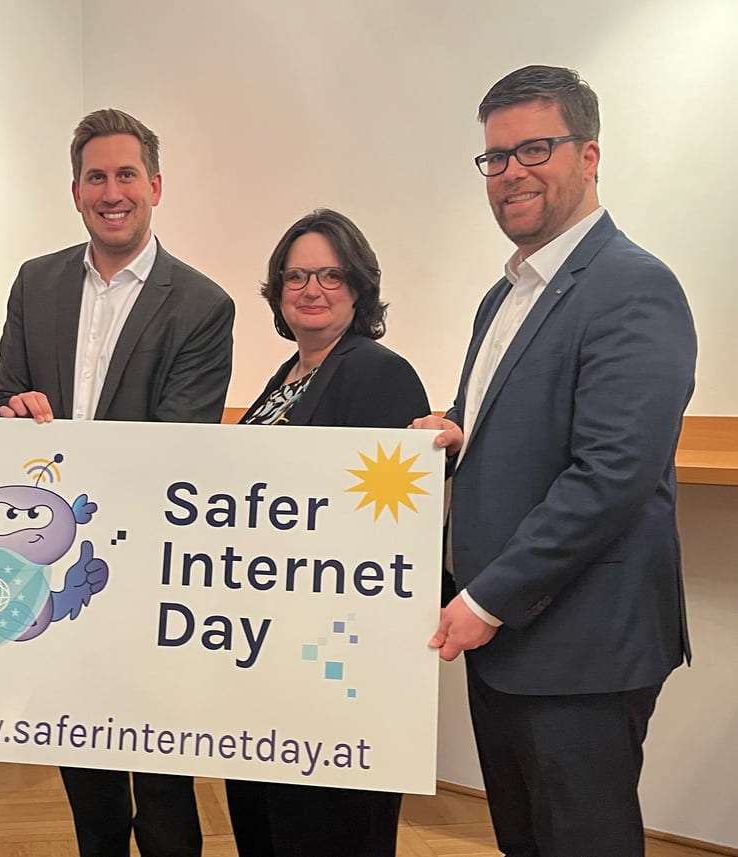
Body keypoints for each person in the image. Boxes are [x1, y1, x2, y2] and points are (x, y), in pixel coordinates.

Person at [412, 65, 696, 856]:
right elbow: (525, 419)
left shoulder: (635, 287)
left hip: (580, 645)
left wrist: (483, 600)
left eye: (534, 148)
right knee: (526, 842)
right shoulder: (505, 294)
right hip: (507, 642)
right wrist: (460, 428)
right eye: (495, 158)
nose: (511, 173)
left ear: (591, 154)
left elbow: (611, 475)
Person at [0, 108, 234, 857]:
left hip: (152, 567)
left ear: (155, 186)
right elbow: (4, 395)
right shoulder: (35, 283)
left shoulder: (201, 304)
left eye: (127, 174)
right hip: (54, 566)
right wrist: (12, 408)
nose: (112, 190)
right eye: (97, 176)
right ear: (76, 192)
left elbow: (175, 446)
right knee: (83, 764)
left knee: (163, 778)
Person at [224, 209, 429, 857]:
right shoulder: (286, 377)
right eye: (296, 275)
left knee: (324, 834)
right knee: (266, 824)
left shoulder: (377, 372)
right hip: (269, 654)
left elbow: (385, 529)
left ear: (360, 286)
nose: (311, 289)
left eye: (331, 275)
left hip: (335, 671)